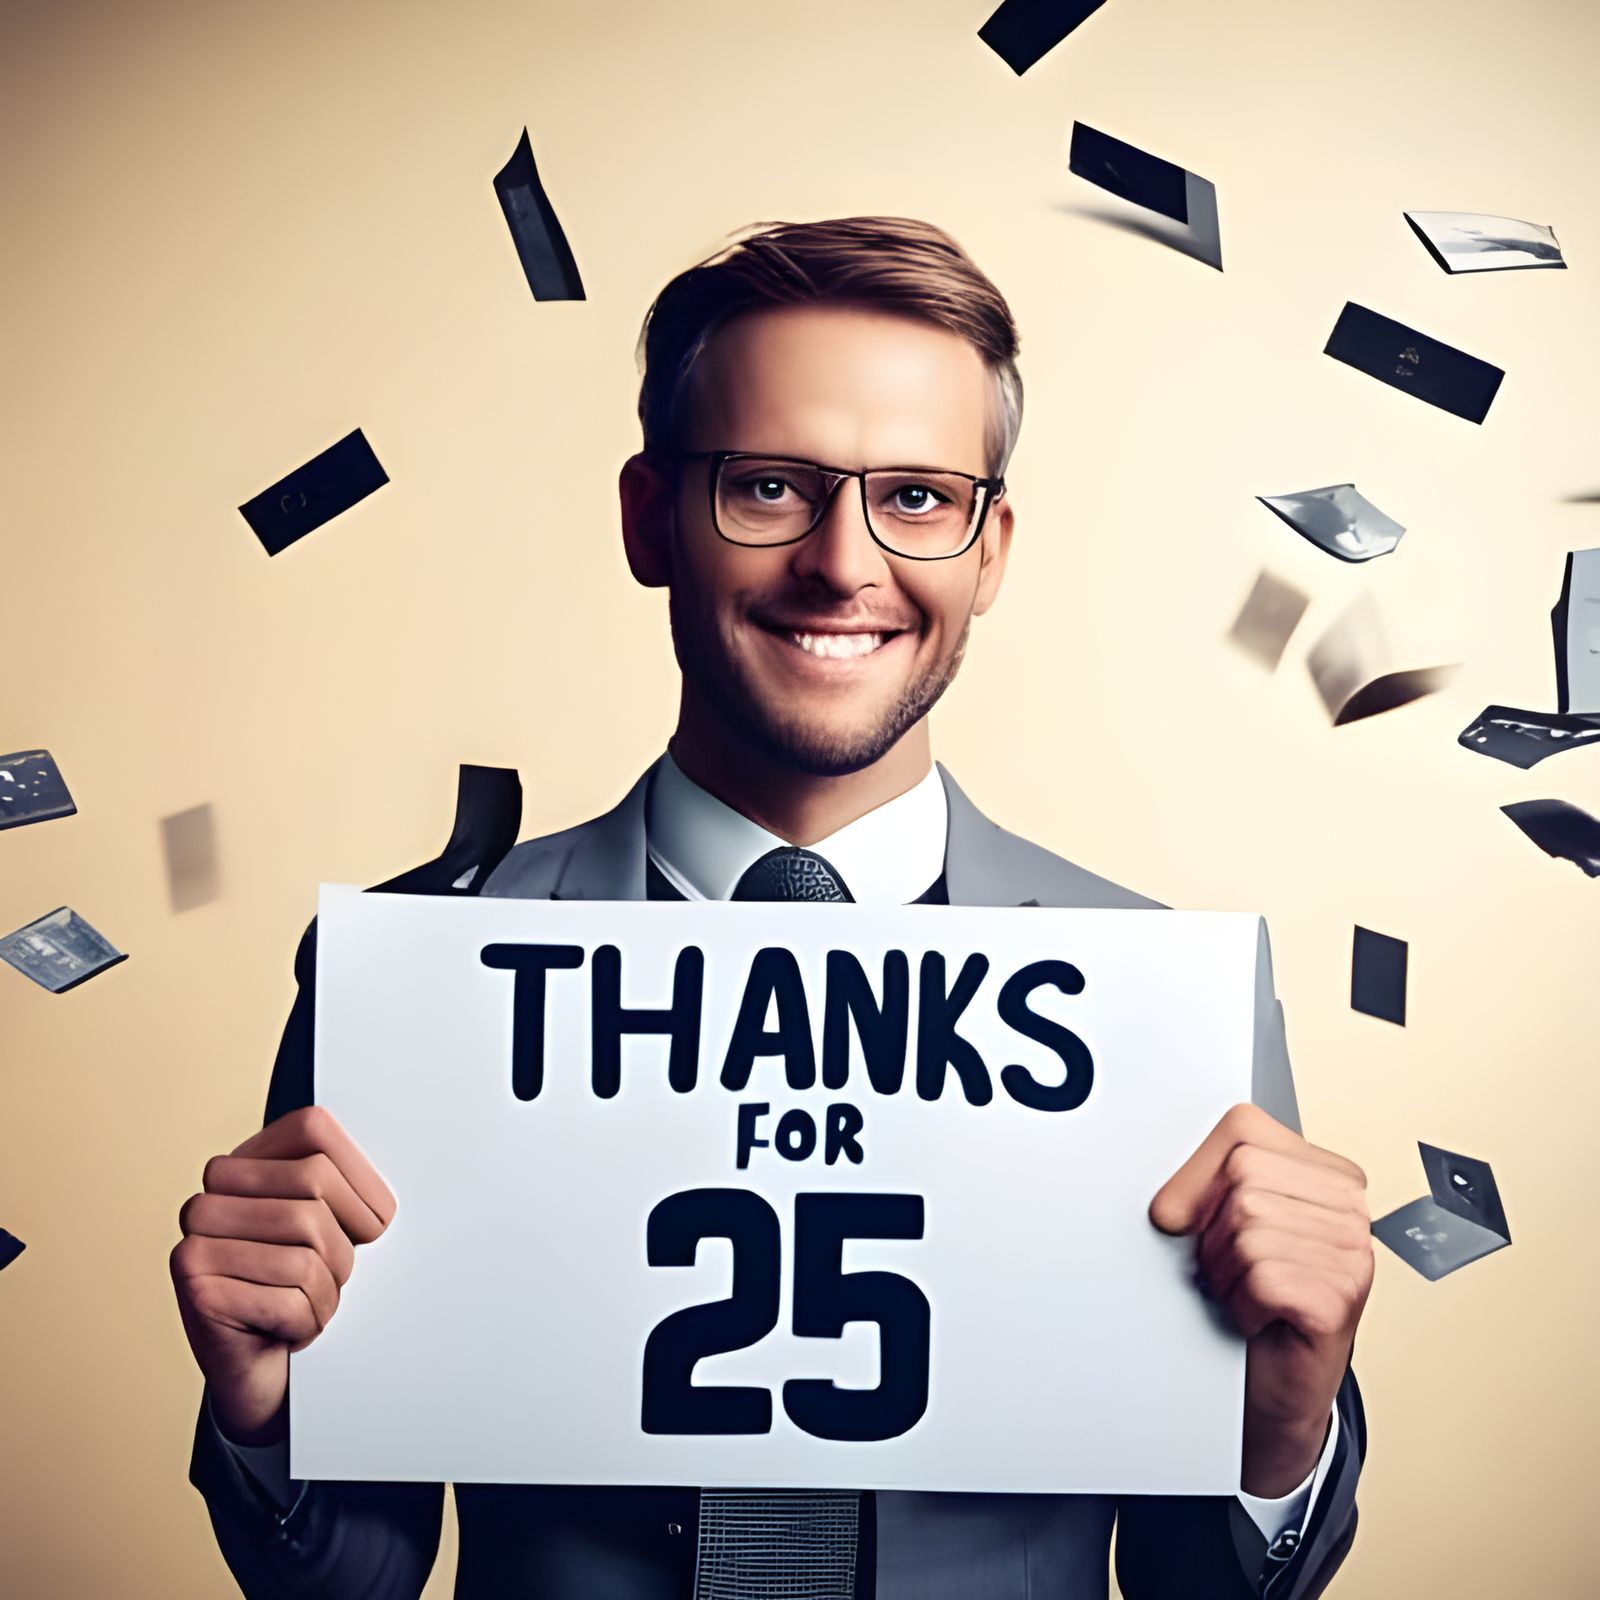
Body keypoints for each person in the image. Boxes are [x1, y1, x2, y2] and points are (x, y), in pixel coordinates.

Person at [173, 216, 1372, 1599]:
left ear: (990, 550)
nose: (845, 564)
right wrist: (268, 1407)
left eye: (918, 496)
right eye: (769, 488)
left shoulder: (1169, 1005)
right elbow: (354, 1580)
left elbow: (1206, 1589)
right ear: (648, 519)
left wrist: (1280, 1427)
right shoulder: (413, 982)